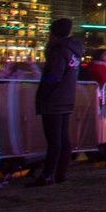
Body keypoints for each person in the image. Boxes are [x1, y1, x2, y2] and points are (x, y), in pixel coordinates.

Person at [32, 18, 83, 186]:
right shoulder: (74, 51)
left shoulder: (60, 51)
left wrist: (44, 92)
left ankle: (48, 174)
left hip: (54, 99)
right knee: (63, 138)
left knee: (54, 139)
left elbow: (55, 75)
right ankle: (61, 172)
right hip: (67, 97)